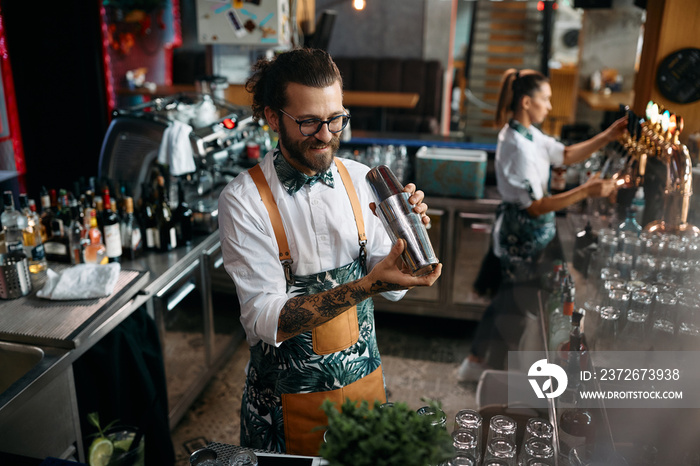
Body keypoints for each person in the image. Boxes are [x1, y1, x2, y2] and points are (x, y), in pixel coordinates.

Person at [218, 48, 442, 455]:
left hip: (365, 387)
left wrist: (406, 252)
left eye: (336, 119)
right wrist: (366, 286)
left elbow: (390, 289)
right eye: (308, 122)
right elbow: (267, 319)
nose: (326, 134)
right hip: (284, 405)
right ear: (273, 117)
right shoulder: (244, 199)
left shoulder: (360, 179)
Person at [456, 68, 627, 382]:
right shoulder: (515, 145)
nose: (549, 106)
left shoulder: (530, 134)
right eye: (545, 99)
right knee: (512, 302)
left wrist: (608, 136)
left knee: (517, 300)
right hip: (522, 236)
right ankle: (484, 365)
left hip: (537, 235)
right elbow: (535, 207)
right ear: (526, 102)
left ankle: (483, 363)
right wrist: (586, 191)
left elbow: (564, 154)